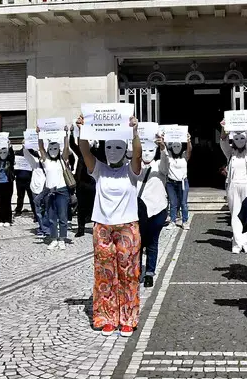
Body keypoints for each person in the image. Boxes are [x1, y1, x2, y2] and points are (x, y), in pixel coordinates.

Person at [76, 114, 142, 338]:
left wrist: (134, 133)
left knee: (128, 274)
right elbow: (84, 151)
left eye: (118, 146)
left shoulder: (131, 172)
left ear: (124, 150)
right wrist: (82, 130)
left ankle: (127, 318)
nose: (112, 150)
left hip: (127, 227)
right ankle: (107, 318)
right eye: (109, 146)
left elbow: (138, 156)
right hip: (102, 227)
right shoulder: (99, 170)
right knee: (104, 275)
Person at [219, 121, 247, 254]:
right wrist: (224, 127)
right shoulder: (230, 153)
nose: (240, 141)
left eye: (242, 138)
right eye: (237, 139)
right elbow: (223, 140)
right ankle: (237, 243)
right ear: (233, 140)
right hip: (233, 186)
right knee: (235, 214)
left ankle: (246, 242)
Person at [137, 140, 168, 288]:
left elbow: (165, 164)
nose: (147, 154)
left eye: (150, 151)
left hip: (157, 209)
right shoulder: (135, 166)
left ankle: (149, 272)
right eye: (144, 151)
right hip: (138, 211)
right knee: (138, 243)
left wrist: (163, 148)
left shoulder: (158, 166)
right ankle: (136, 272)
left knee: (152, 242)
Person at [38, 129, 73, 249]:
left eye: (55, 149)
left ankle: (62, 238)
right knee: (51, 217)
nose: (53, 151)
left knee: (62, 216)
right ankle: (54, 238)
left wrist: (66, 134)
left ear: (59, 150)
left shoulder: (62, 159)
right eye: (51, 149)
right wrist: (39, 134)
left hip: (62, 191)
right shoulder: (46, 160)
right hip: (49, 192)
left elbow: (67, 147)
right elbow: (41, 147)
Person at [70, 133, 96, 237]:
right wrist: (72, 132)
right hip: (81, 185)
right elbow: (72, 144)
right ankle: (81, 229)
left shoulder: (96, 153)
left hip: (93, 184)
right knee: (81, 208)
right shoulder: (81, 153)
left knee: (94, 207)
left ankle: (96, 228)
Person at [164, 134, 192, 230]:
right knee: (173, 203)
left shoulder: (184, 155)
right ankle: (172, 221)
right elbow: (163, 149)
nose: (176, 148)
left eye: (178, 146)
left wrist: (188, 141)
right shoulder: (169, 156)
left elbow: (189, 150)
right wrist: (163, 140)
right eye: (174, 146)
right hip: (171, 183)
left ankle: (185, 221)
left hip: (182, 182)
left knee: (183, 203)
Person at [0, 145, 15, 226]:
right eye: (0, 152)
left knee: (7, 202)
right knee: (1, 202)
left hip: (8, 183)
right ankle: (2, 220)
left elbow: (12, 155)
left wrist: (10, 147)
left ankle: (8, 220)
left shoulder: (10, 161)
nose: (2, 154)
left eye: (4, 152)